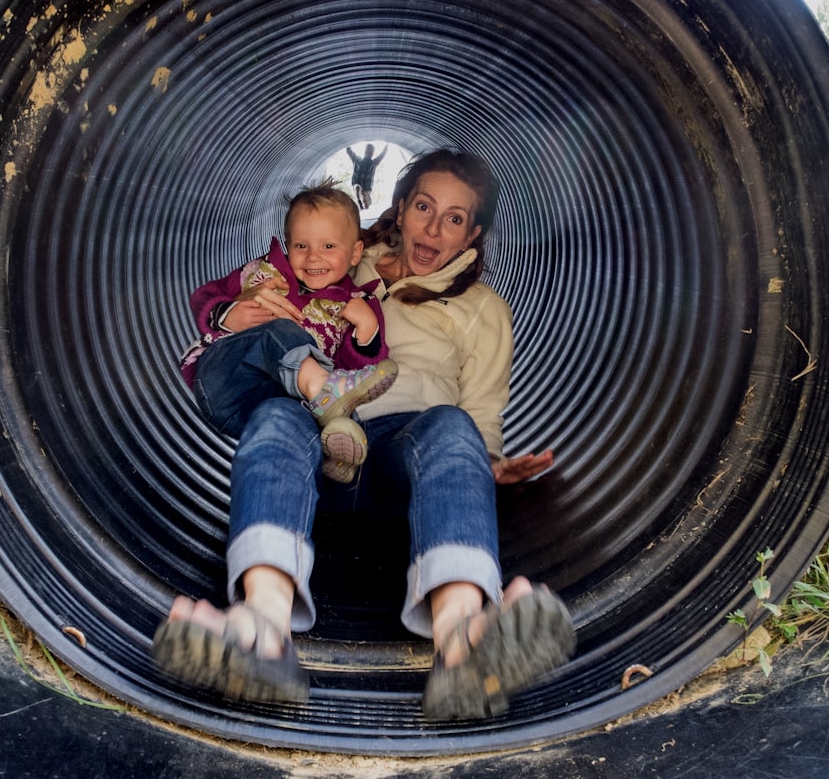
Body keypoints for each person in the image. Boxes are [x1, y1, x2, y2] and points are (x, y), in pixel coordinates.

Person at [154, 150, 576, 721]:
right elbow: (268, 286)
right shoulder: (346, 259)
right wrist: (241, 310)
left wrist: (487, 464)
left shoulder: (483, 311)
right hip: (316, 448)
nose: (433, 226)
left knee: (452, 426)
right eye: (424, 206)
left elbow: (480, 412)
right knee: (275, 417)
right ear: (400, 210)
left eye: (454, 218)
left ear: (472, 234)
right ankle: (262, 630)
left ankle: (464, 639)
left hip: (405, 461)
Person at [178, 181, 398, 483]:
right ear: (288, 243)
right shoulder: (265, 272)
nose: (313, 257)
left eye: (329, 246)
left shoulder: (359, 304)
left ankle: (336, 452)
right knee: (280, 331)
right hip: (225, 381)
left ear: (355, 252)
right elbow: (203, 295)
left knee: (325, 404)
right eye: (301, 246)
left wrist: (367, 329)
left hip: (270, 408)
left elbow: (356, 373)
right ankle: (322, 392)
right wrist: (229, 314)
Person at [347, 143, 387, 210]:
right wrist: (347, 145)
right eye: (367, 151)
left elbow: (381, 156)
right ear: (365, 151)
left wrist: (386, 147)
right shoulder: (357, 160)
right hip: (356, 185)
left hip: (366, 189)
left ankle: (365, 207)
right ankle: (359, 201)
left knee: (367, 204)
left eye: (370, 152)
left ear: (373, 154)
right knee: (357, 187)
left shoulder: (374, 163)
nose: (368, 153)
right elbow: (350, 152)